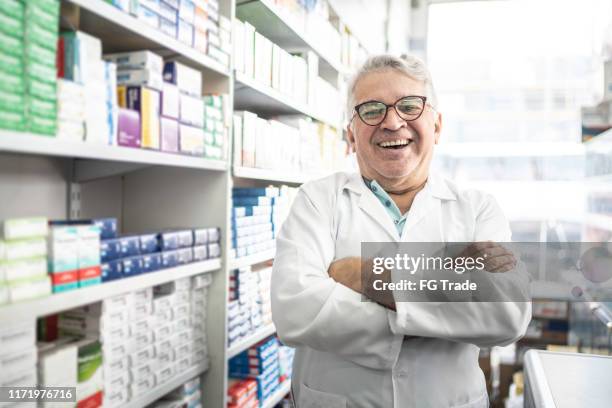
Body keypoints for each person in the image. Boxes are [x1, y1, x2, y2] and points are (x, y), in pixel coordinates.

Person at [271, 54, 531, 408]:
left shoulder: (477, 208)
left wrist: (363, 274)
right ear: (351, 134)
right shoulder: (317, 200)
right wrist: (448, 291)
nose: (392, 122)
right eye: (372, 110)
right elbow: (295, 312)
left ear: (437, 126)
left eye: (410, 106)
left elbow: (506, 313)